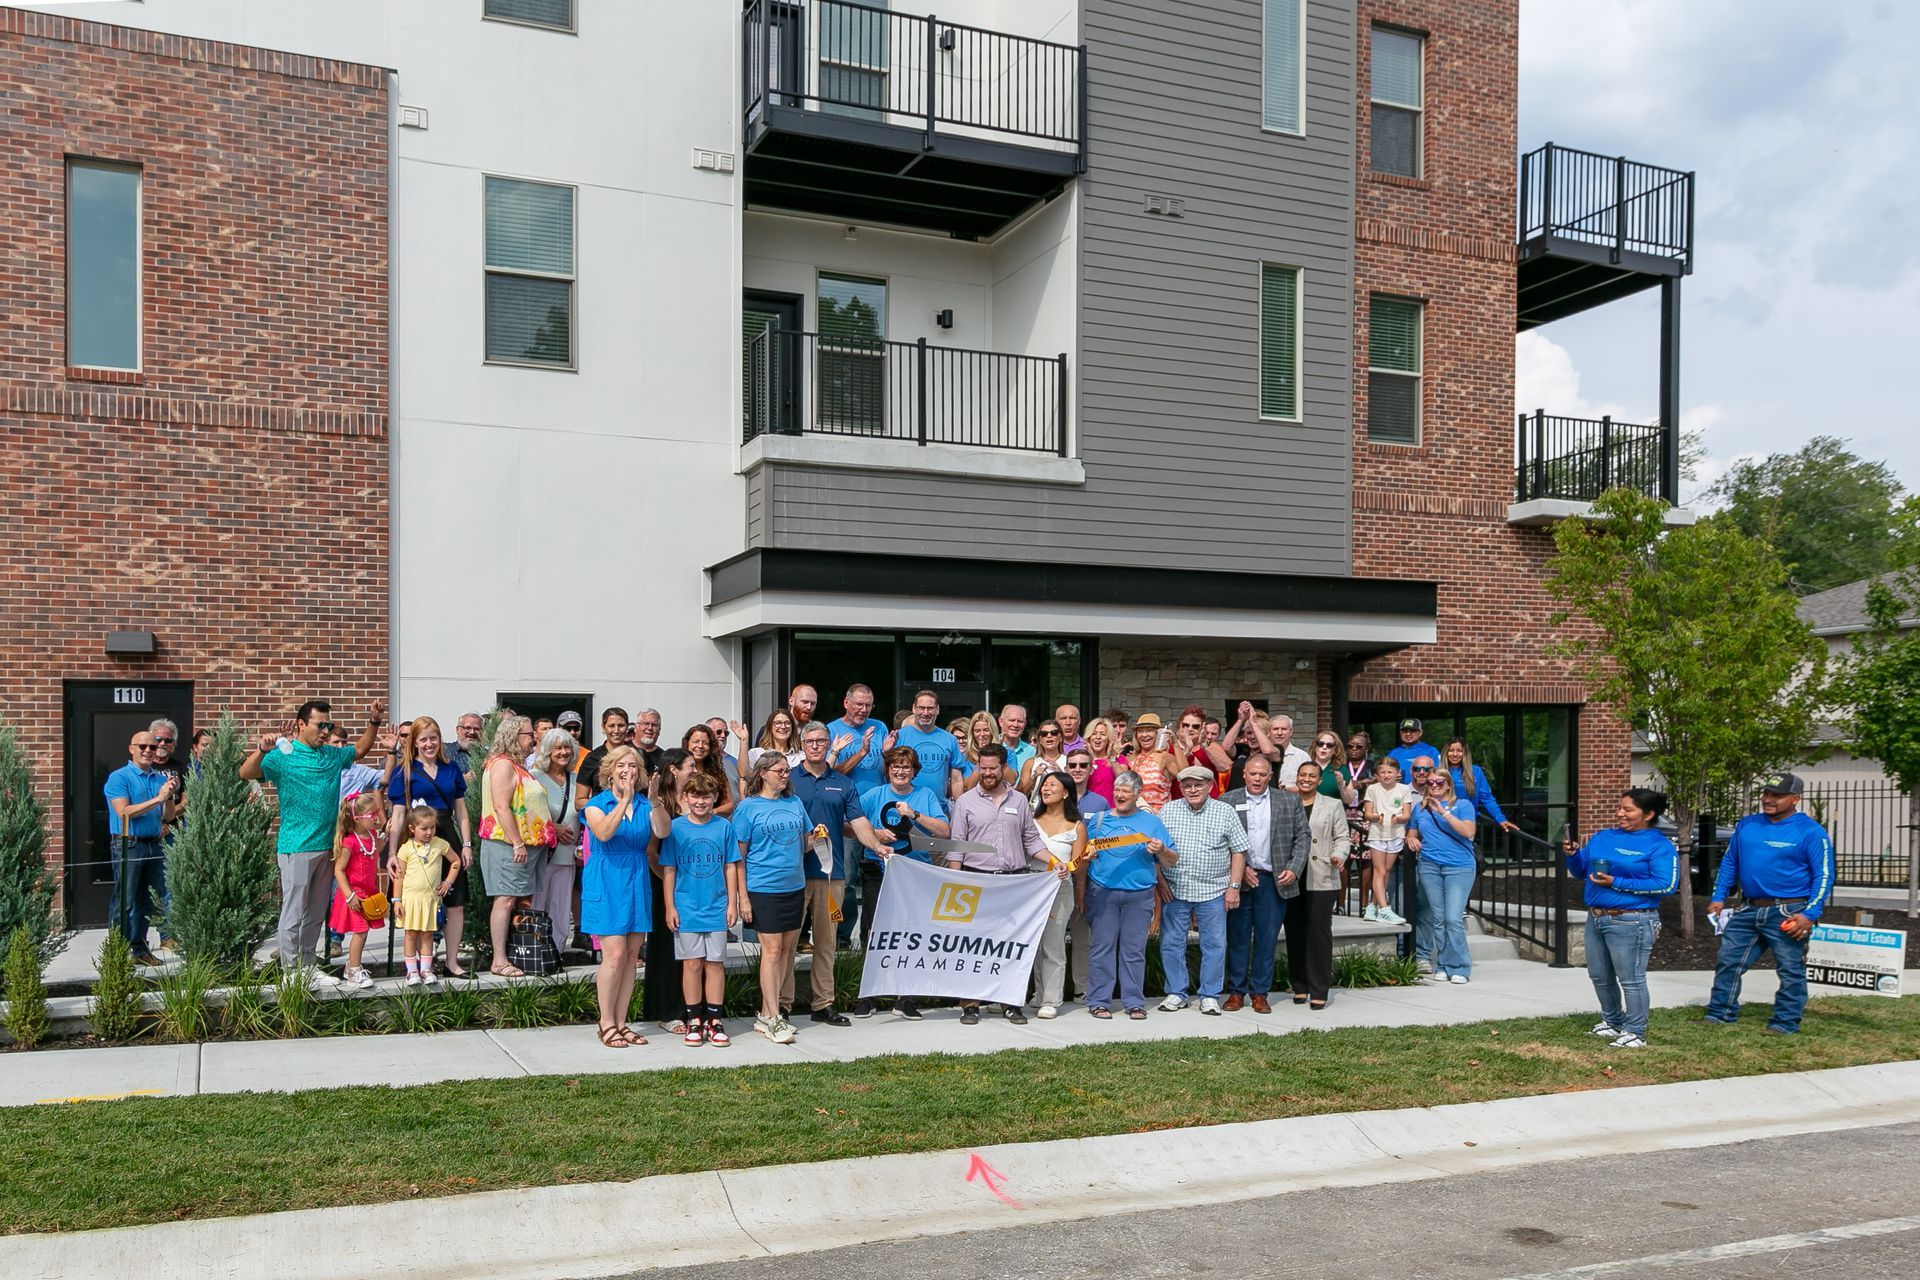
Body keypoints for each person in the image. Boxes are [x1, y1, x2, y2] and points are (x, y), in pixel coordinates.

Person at [242, 697, 386, 983]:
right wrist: (260, 750)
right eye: (320, 725)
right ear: (301, 724)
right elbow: (246, 773)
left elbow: (360, 749)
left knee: (316, 911)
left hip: (327, 847)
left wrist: (374, 721)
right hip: (296, 846)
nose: (325, 731)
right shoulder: (283, 756)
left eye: (328, 725)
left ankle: (307, 967)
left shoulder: (331, 756)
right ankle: (290, 972)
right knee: (294, 911)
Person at [1704, 771, 1835, 1036]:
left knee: (1790, 969)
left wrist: (1810, 914)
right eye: (1766, 794)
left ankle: (1784, 1023)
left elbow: (1824, 874)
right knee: (1728, 961)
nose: (1768, 799)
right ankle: (1719, 1014)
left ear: (1795, 798)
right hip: (1749, 907)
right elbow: (1730, 861)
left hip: (1790, 910)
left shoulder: (1810, 832)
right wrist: (1718, 896)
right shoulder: (1747, 825)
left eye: (1777, 795)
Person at [787, 722, 889, 1026]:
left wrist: (876, 846)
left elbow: (858, 824)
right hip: (793, 875)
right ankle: (781, 1005)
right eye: (811, 741)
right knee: (788, 944)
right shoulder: (789, 780)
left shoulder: (843, 783)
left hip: (832, 876)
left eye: (821, 741)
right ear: (802, 745)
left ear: (829, 744)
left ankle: (823, 1004)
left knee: (827, 942)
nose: (816, 746)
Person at [1564, 787, 1679, 1049]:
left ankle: (1635, 1031)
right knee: (1600, 975)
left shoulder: (1658, 845)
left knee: (1631, 978)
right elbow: (1582, 871)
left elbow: (1665, 885)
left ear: (1648, 814)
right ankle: (1612, 1020)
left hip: (1633, 920)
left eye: (1628, 809)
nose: (1620, 813)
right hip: (1597, 918)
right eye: (1620, 808)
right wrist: (1572, 855)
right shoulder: (1604, 837)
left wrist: (1616, 882)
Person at [945, 743, 1048, 1024]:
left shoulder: (1019, 802)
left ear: (1004, 769)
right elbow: (956, 848)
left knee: (1011, 947)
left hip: (1014, 884)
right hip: (977, 881)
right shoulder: (965, 802)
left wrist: (1053, 862)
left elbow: (1031, 841)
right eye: (983, 768)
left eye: (992, 768)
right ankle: (970, 1005)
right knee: (972, 946)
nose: (987, 773)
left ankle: (1010, 1003)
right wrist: (955, 884)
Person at [852, 745, 950, 1019]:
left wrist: (914, 815)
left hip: (916, 873)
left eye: (906, 767)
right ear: (888, 770)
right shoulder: (874, 795)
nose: (900, 771)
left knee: (911, 933)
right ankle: (868, 996)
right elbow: (850, 825)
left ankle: (906, 997)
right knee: (873, 931)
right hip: (877, 869)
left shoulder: (925, 795)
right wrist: (875, 834)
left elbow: (944, 831)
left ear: (914, 771)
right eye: (895, 766)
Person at [1080, 771, 1178, 1020]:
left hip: (1140, 894)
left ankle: (1134, 1002)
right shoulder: (1099, 821)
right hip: (1103, 892)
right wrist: (1086, 857)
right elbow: (1084, 855)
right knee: (1102, 948)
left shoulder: (1151, 822)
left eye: (1126, 790)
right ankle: (1099, 1001)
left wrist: (1162, 848)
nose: (1120, 794)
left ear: (1137, 794)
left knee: (1134, 950)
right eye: (1117, 790)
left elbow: (1172, 860)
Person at [652, 772, 740, 1047]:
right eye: (695, 796)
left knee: (714, 964)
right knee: (692, 964)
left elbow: (730, 865)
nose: (700, 802)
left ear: (715, 798)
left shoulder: (723, 827)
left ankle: (714, 1019)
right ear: (685, 798)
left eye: (706, 797)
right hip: (687, 906)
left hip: (716, 906)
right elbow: (669, 869)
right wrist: (670, 907)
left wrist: (733, 903)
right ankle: (694, 1019)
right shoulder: (676, 828)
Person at [1155, 765, 1249, 1015]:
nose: (1192, 789)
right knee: (1171, 944)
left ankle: (1209, 995)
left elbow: (1238, 851)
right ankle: (1176, 992)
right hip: (1175, 889)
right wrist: (1161, 883)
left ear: (1210, 786)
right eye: (1187, 785)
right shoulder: (1169, 810)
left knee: (1215, 945)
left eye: (1198, 785)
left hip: (1214, 890)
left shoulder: (1224, 812)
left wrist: (1234, 887)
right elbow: (1156, 850)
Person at [385, 716, 472, 978]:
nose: (429, 743)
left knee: (455, 902)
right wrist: (392, 853)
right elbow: (399, 815)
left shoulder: (451, 769)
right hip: (416, 841)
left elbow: (461, 811)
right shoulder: (404, 771)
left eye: (433, 738)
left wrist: (466, 844)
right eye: (423, 739)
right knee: (415, 901)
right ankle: (418, 964)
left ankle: (452, 961)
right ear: (414, 742)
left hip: (446, 837)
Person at [734, 753, 811, 1045]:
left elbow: (804, 845)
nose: (785, 775)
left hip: (794, 886)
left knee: (787, 950)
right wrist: (743, 898)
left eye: (787, 771)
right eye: (779, 770)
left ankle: (767, 1014)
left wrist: (818, 836)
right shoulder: (747, 808)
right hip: (763, 887)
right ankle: (774, 1016)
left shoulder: (795, 803)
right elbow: (737, 858)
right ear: (763, 773)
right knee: (773, 950)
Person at [1222, 754, 1307, 1012]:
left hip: (1274, 880)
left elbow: (1303, 837)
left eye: (1262, 774)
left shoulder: (1289, 801)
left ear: (1270, 776)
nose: (1257, 778)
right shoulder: (1228, 800)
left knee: (1266, 939)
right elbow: (1220, 840)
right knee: (1237, 937)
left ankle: (1260, 992)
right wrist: (1240, 869)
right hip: (1240, 880)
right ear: (1244, 774)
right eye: (1253, 774)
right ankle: (1236, 991)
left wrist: (1294, 868)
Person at [581, 746, 653, 1047]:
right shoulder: (596, 805)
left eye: (634, 765)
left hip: (636, 878)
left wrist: (656, 802)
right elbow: (604, 833)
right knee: (615, 955)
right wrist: (622, 801)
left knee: (632, 957)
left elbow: (660, 831)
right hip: (607, 878)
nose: (628, 770)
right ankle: (605, 1023)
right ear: (610, 771)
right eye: (622, 765)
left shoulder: (645, 804)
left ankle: (622, 1023)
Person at [479, 715, 554, 978]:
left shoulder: (518, 766)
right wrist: (517, 842)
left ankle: (520, 953)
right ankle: (499, 960)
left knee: (522, 900)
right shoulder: (502, 765)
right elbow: (501, 806)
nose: (532, 738)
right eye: (527, 734)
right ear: (513, 737)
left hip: (529, 846)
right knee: (506, 899)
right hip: (508, 844)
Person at [104, 729, 179, 965]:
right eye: (142, 747)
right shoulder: (120, 777)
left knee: (146, 902)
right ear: (131, 749)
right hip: (128, 844)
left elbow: (168, 816)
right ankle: (116, 954)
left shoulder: (159, 779)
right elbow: (124, 812)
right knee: (124, 901)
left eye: (153, 747)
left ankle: (139, 949)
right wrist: (158, 798)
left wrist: (168, 797)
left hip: (154, 845)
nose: (148, 751)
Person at [1406, 759, 1479, 984]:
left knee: (1453, 919)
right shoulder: (1420, 808)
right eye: (1430, 782)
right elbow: (1413, 832)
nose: (1435, 785)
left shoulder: (1463, 805)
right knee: (1438, 918)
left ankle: (1460, 967)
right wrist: (1411, 839)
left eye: (1439, 782)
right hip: (1429, 865)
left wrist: (1444, 812)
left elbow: (1468, 832)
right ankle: (1444, 965)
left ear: (1448, 784)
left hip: (1459, 867)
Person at [1287, 762, 1351, 1009]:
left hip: (1321, 875)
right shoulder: (1287, 801)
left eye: (1311, 776)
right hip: (1292, 876)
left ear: (1319, 780)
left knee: (1318, 933)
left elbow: (1343, 837)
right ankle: (1299, 985)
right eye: (1302, 774)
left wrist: (1339, 855)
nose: (1306, 779)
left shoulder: (1332, 804)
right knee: (1294, 931)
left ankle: (1319, 988)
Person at [641, 747, 694, 1032]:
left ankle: (692, 1008)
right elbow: (651, 851)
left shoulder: (693, 799)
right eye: (690, 766)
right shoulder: (659, 803)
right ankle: (667, 1011)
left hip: (692, 887)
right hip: (664, 883)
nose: (694, 771)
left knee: (691, 950)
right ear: (674, 769)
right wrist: (668, 883)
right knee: (666, 948)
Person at [1031, 770, 1087, 1019]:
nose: (1045, 788)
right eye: (1044, 784)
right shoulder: (1030, 820)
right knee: (1031, 944)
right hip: (1029, 887)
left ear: (1066, 793)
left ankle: (1051, 999)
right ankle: (1038, 994)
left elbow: (1079, 866)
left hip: (1060, 889)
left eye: (1052, 785)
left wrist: (1080, 894)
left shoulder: (1077, 826)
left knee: (1053, 943)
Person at [531, 728, 581, 959]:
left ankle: (557, 952)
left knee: (561, 907)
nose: (563, 753)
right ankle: (537, 951)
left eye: (566, 747)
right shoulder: (535, 778)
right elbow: (528, 814)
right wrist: (554, 828)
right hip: (543, 853)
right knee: (538, 904)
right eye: (557, 748)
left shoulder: (577, 780)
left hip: (569, 854)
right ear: (547, 752)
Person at [394, 805, 458, 986]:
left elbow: (456, 861)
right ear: (412, 828)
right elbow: (399, 876)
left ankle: (426, 969)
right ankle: (412, 971)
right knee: (411, 934)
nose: (429, 832)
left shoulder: (440, 845)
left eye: (432, 827)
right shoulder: (406, 849)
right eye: (424, 828)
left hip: (430, 900)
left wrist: (448, 882)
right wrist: (397, 900)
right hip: (411, 900)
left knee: (428, 935)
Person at [328, 792, 386, 990]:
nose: (376, 817)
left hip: (367, 893)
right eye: (372, 814)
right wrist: (349, 894)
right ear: (357, 818)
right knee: (360, 931)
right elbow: (339, 870)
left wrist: (388, 836)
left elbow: (375, 850)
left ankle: (350, 967)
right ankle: (353, 969)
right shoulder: (349, 842)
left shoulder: (371, 835)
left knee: (364, 931)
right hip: (354, 895)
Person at [1361, 756, 1412, 925]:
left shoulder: (1404, 789)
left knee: (1387, 871)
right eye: (1382, 772)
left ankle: (1372, 906)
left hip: (1396, 833)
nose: (1386, 775)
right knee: (1379, 871)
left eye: (1390, 772)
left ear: (1398, 773)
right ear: (1377, 774)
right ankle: (1384, 909)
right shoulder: (1372, 789)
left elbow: (1407, 814)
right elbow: (1367, 814)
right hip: (1377, 833)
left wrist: (1398, 818)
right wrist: (1377, 817)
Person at [895, 690, 964, 799]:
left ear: (937, 709)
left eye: (930, 708)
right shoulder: (899, 736)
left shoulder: (950, 739)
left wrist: (959, 808)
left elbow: (956, 779)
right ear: (914, 708)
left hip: (939, 809)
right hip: (905, 806)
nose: (925, 713)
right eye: (921, 708)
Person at [828, 683, 892, 794]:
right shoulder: (831, 730)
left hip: (877, 798)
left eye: (868, 705)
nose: (864, 710)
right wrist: (862, 753)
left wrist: (888, 753)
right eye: (859, 704)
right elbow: (829, 774)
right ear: (846, 703)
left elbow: (891, 770)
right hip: (847, 800)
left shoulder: (879, 727)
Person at [1445, 737, 1518, 832]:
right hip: (1443, 822)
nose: (1455, 754)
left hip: (1467, 823)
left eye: (1459, 751)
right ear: (1446, 752)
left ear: (1465, 753)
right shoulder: (1439, 771)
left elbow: (1487, 798)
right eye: (1451, 750)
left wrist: (1501, 818)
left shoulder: (1475, 771)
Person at [574, 708, 632, 811]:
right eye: (611, 726)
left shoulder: (637, 755)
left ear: (627, 727)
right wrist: (605, 807)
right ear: (603, 728)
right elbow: (579, 801)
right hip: (602, 819)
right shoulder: (592, 758)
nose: (616, 730)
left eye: (621, 726)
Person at [1168, 705, 1231, 799]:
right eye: (1185, 725)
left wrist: (1203, 744)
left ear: (1202, 728)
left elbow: (1226, 766)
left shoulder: (1210, 745)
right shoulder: (1170, 747)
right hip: (1179, 804)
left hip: (1208, 802)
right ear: (1179, 726)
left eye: (1195, 726)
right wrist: (1186, 752)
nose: (1190, 729)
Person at [1121, 714, 1178, 813]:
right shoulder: (1131, 759)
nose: (1144, 735)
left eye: (1149, 730)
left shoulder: (1165, 757)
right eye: (1140, 731)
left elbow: (1183, 775)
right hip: (1134, 817)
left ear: (1158, 734)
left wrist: (1176, 744)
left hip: (1159, 818)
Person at [684, 723, 737, 817]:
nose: (700, 746)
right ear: (687, 743)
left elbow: (729, 804)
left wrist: (711, 812)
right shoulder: (678, 770)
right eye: (696, 741)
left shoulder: (717, 772)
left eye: (705, 743)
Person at [1016, 719, 1069, 799]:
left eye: (1054, 733)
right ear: (1039, 740)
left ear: (1060, 737)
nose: (1049, 736)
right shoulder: (1030, 763)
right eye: (1044, 734)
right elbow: (1019, 795)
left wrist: (1061, 775)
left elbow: (1075, 792)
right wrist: (1034, 777)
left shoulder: (1069, 761)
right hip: (1035, 809)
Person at [1386, 717, 1445, 784]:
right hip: (1398, 792)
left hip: (1423, 792)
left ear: (1420, 732)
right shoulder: (1393, 753)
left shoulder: (1431, 751)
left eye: (1412, 730)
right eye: (1405, 731)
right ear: (1400, 733)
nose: (1408, 734)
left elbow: (1439, 775)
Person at [1083, 717, 1122, 803]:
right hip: (1087, 809)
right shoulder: (1081, 760)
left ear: (1108, 739)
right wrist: (1090, 758)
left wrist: (1111, 757)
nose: (1098, 737)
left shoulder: (1118, 759)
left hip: (1110, 811)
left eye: (1103, 734)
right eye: (1094, 733)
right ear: (1089, 738)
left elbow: (1124, 780)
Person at [954, 710, 997, 786]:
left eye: (986, 730)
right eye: (977, 731)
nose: (982, 734)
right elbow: (968, 786)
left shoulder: (1008, 753)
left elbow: (1011, 780)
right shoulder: (965, 757)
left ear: (992, 731)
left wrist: (998, 754)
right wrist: (982, 756)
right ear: (972, 733)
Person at [1063, 747, 1109, 815]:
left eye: (1083, 765)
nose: (1077, 770)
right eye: (1072, 765)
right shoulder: (1054, 800)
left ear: (1091, 770)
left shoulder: (1101, 803)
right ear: (1066, 770)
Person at [706, 717, 743, 800]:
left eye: (726, 733)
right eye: (719, 732)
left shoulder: (734, 762)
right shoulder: (699, 760)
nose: (723, 736)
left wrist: (743, 741)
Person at [995, 703, 1034, 777]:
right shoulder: (990, 748)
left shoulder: (1032, 752)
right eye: (1011, 720)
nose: (1015, 725)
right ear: (1001, 722)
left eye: (1020, 721)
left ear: (1025, 723)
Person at [448, 712, 484, 782]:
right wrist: (463, 779)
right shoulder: (445, 750)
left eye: (477, 729)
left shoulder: (487, 755)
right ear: (458, 730)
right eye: (467, 728)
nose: (472, 732)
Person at [633, 708, 665, 777]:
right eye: (645, 723)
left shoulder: (664, 758)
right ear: (636, 727)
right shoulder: (624, 750)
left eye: (655, 725)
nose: (650, 728)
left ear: (659, 730)